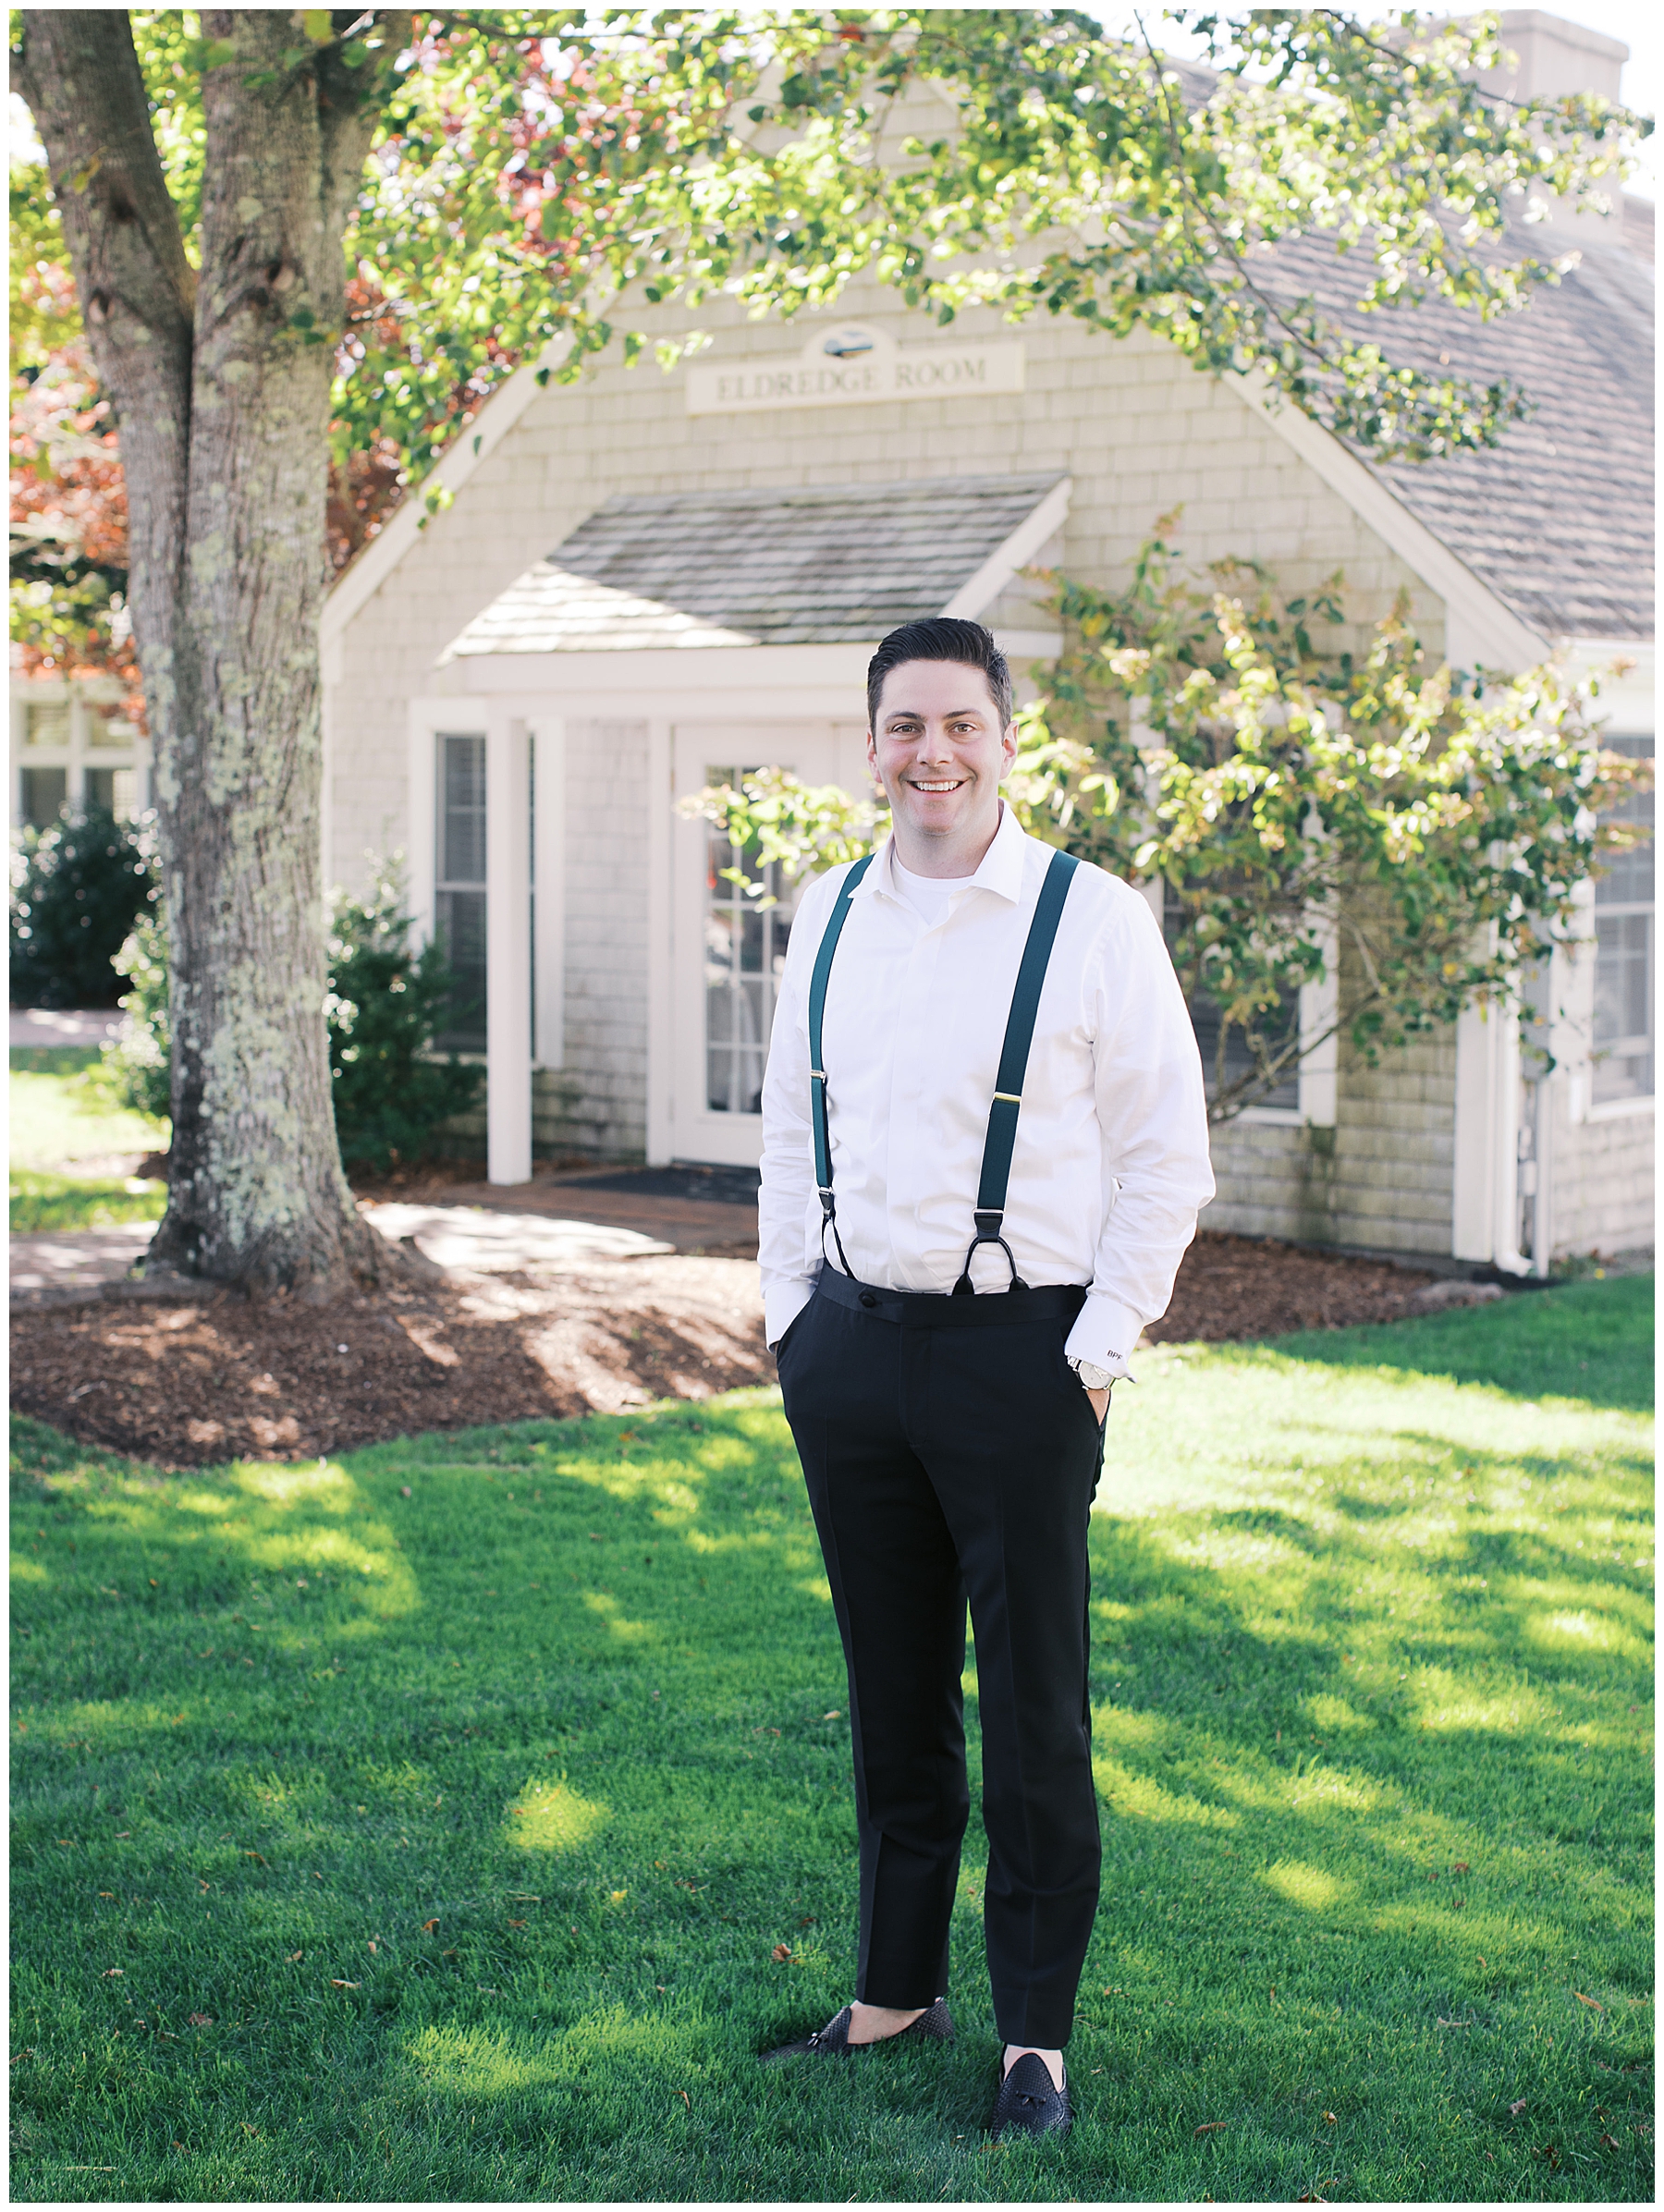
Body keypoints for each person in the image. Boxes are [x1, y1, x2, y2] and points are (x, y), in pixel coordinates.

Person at [755, 616, 1214, 2139]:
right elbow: (784, 1136)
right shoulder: (825, 912)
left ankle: (1035, 2035)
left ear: (1008, 737)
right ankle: (894, 1988)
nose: (930, 754)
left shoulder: (1091, 920)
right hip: (853, 1351)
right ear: (871, 744)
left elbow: (1167, 1159)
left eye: (959, 723)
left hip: (1026, 1356)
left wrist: (1093, 1355)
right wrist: (788, 1320)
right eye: (903, 727)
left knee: (1033, 1713)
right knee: (893, 1700)